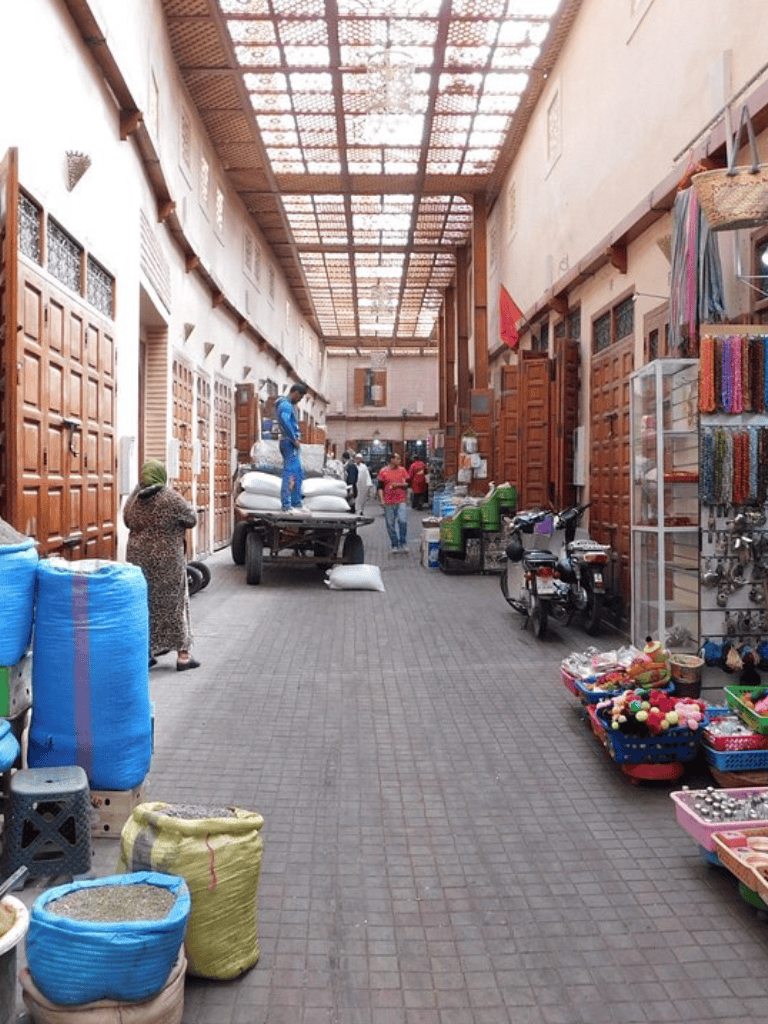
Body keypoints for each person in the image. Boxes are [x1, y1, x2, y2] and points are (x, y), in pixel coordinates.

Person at [124, 459, 200, 671]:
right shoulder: (171, 498)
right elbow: (191, 519)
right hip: (167, 562)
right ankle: (183, 656)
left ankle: (146, 653)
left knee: (145, 604)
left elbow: (126, 520)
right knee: (174, 605)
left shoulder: (133, 499)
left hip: (138, 560)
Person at [274, 381, 308, 512]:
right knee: (290, 473)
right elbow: (284, 420)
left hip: (290, 443)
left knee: (298, 472)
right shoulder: (285, 405)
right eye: (300, 397)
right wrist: (294, 438)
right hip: (289, 442)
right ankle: (287, 504)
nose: (299, 400)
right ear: (295, 393)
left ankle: (296, 502)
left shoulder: (286, 405)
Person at [377, 451, 409, 551]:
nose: (399, 461)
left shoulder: (402, 470)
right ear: (392, 460)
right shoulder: (383, 471)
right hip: (388, 502)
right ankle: (394, 544)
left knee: (402, 522)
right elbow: (380, 487)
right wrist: (382, 499)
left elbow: (407, 484)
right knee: (390, 524)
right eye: (397, 459)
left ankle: (403, 542)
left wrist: (397, 485)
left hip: (401, 501)